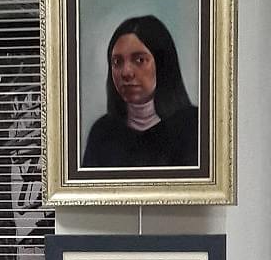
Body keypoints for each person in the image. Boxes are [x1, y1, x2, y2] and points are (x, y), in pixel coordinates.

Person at [82, 15, 199, 168]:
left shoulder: (195, 127)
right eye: (117, 62)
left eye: (139, 60)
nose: (126, 73)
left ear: (162, 64)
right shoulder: (102, 133)